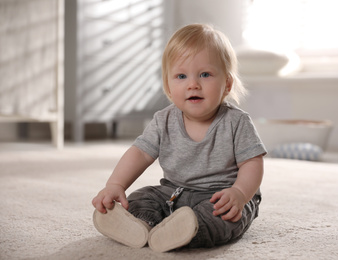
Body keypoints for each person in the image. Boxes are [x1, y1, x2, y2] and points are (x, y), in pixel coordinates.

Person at [92, 23, 267, 253]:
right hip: (174, 192)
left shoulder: (237, 122)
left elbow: (252, 163)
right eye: (181, 76)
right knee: (140, 199)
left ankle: (188, 231)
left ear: (227, 84)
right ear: (168, 85)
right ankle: (142, 226)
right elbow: (140, 153)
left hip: (222, 196)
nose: (193, 84)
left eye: (205, 74)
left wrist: (240, 193)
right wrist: (115, 184)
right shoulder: (163, 120)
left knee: (226, 217)